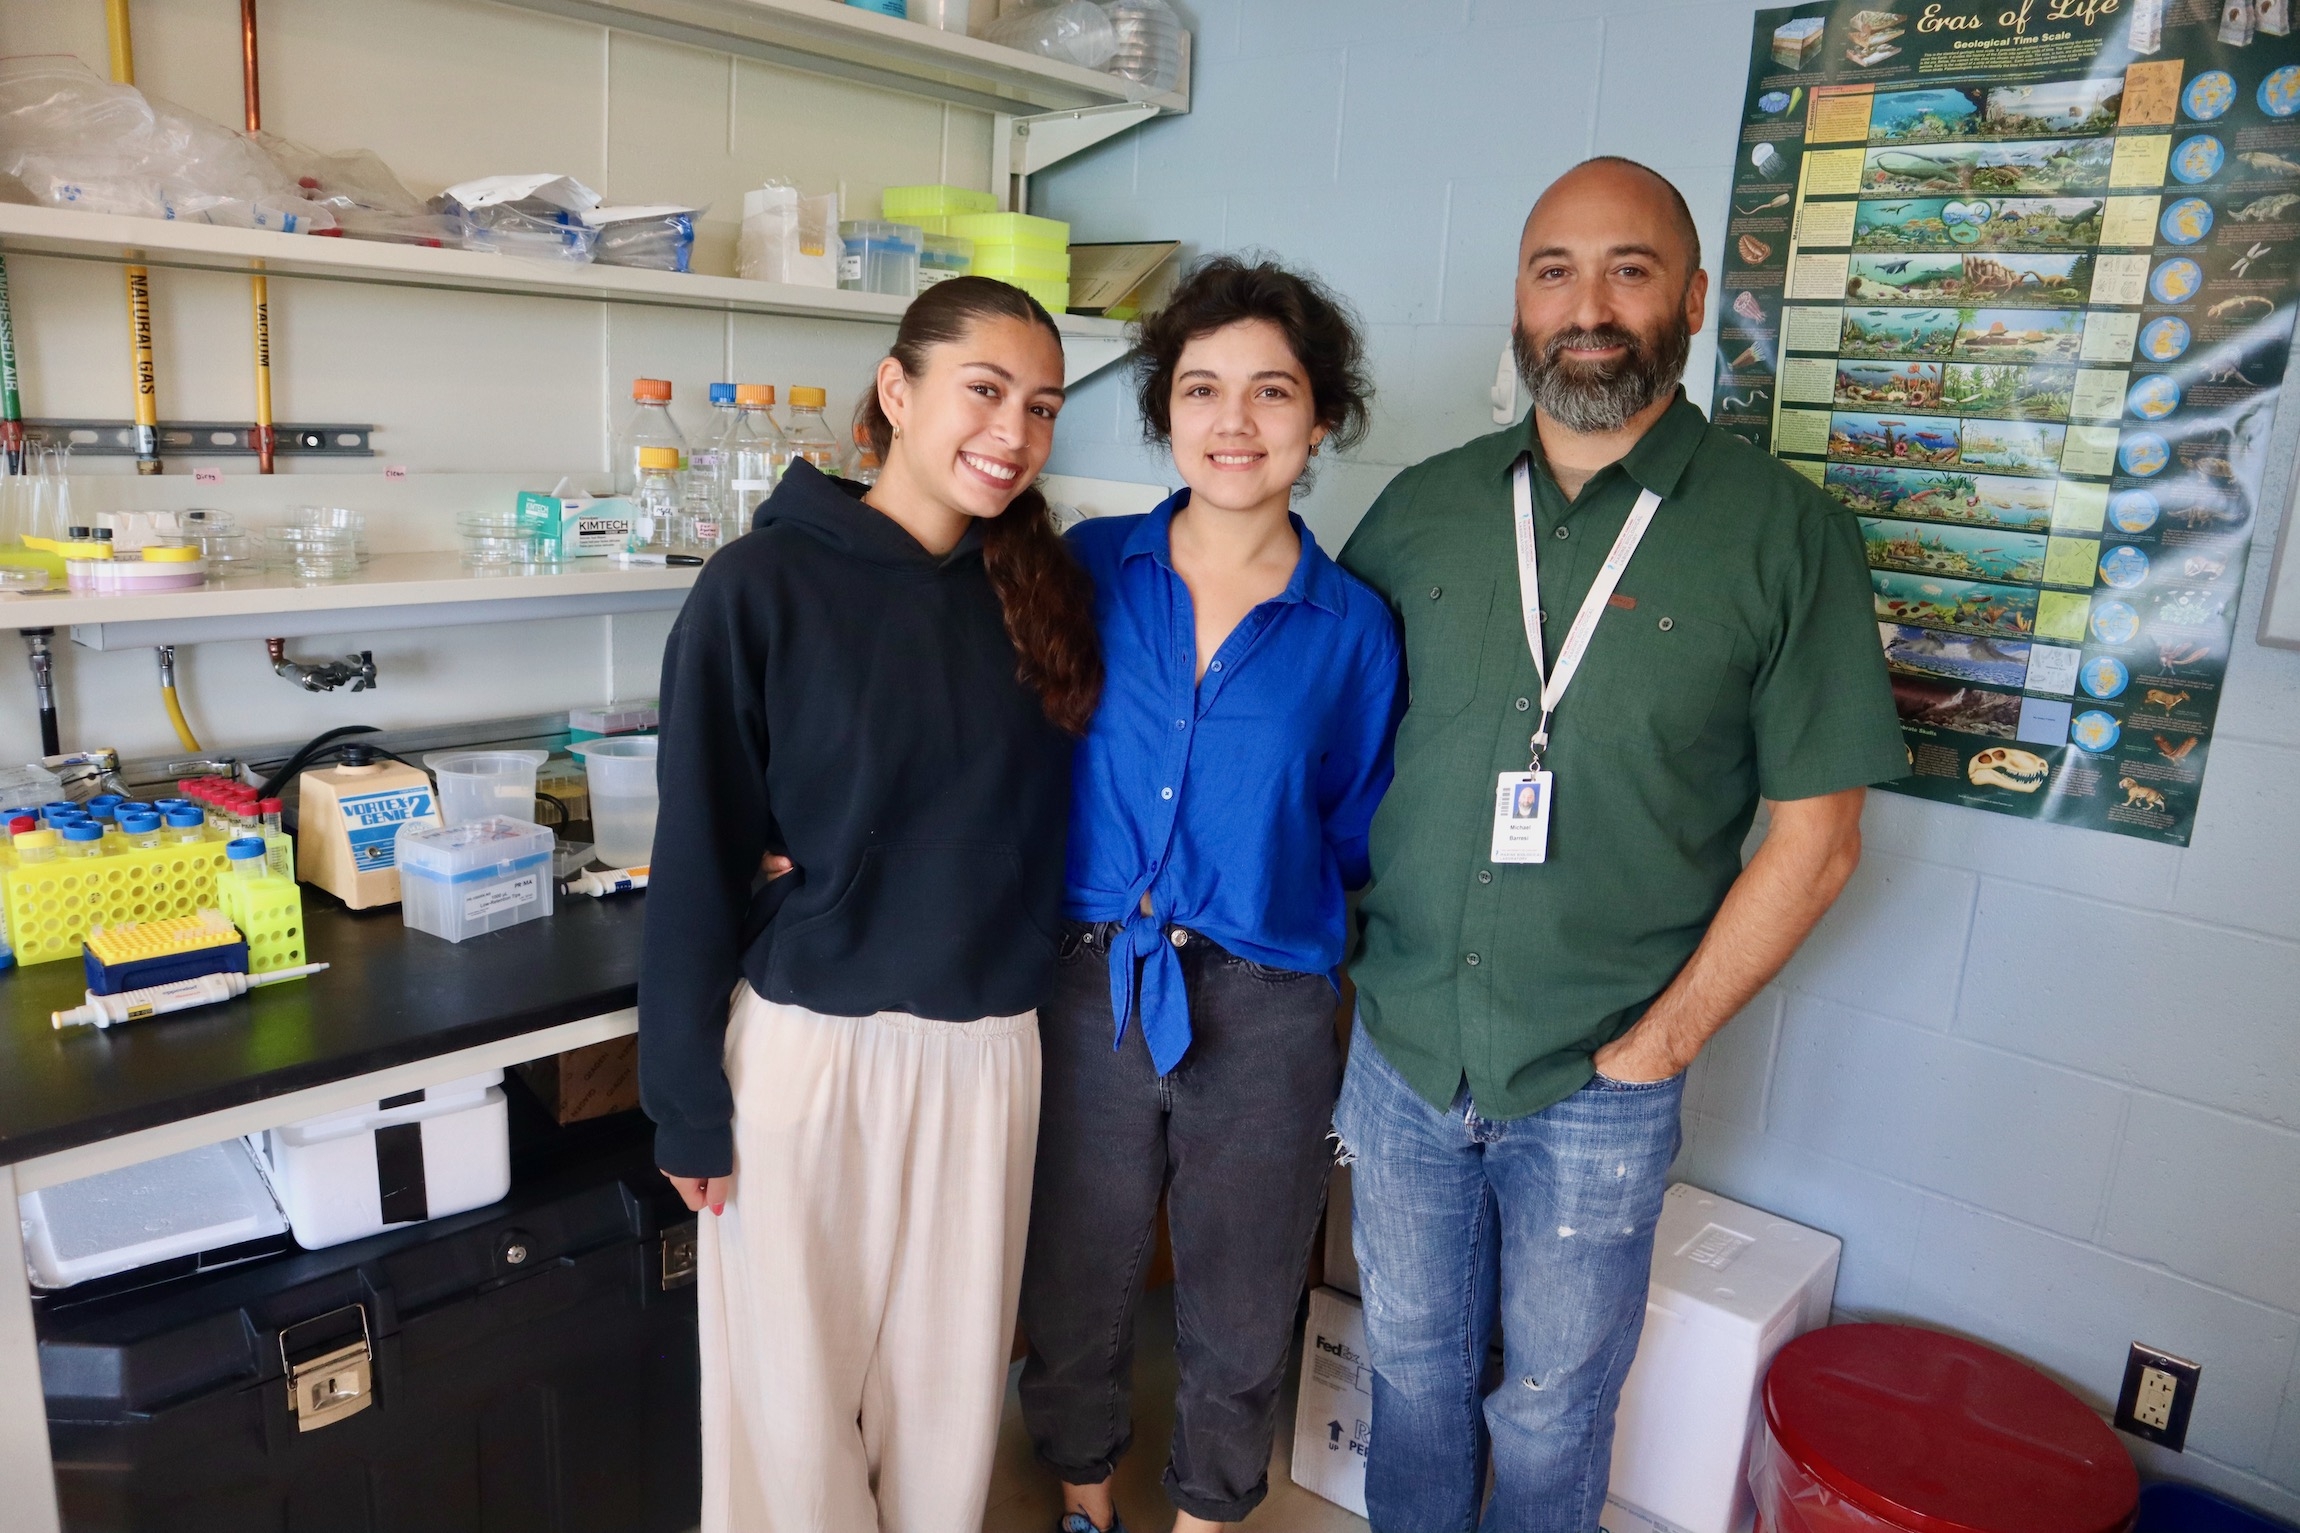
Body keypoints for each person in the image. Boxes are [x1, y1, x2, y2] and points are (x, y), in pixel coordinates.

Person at [1334, 156, 1907, 1531]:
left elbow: (1819, 839)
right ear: (1520, 306)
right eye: (1554, 272)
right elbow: (1316, 733)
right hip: (1403, 1049)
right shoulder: (1424, 508)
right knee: (1409, 1374)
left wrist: (1662, 1040)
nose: (1588, 304)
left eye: (1629, 269)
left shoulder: (1789, 537)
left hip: (1599, 1080)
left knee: (1552, 1409)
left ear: (1695, 297)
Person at [639, 276, 1101, 1533]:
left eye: (1043, 407)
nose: (1014, 431)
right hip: (808, 1056)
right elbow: (698, 853)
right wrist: (683, 1098)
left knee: (947, 1420)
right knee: (785, 1424)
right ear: (896, 394)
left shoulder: (1042, 594)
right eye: (986, 390)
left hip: (986, 1056)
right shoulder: (758, 588)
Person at [1018, 257, 1402, 1533]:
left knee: (1240, 1304)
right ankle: (1083, 1495)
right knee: (1072, 1275)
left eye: (1270, 393)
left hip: (1267, 1003)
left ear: (1321, 419)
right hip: (1083, 981)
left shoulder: (1350, 625)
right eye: (1200, 390)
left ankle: (1205, 1515)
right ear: (1164, 414)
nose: (1232, 423)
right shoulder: (1085, 569)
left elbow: (1345, 822)